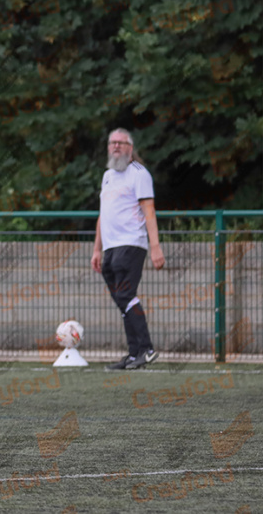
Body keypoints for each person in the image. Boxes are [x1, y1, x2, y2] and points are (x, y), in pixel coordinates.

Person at [91, 128, 166, 371]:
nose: (116, 147)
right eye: (112, 143)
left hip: (132, 243)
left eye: (121, 143)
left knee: (125, 295)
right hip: (111, 247)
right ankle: (134, 354)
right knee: (122, 300)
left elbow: (149, 211)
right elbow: (103, 215)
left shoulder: (139, 174)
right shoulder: (108, 176)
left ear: (130, 148)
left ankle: (147, 349)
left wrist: (155, 247)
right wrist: (96, 249)